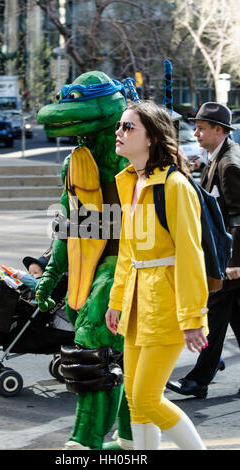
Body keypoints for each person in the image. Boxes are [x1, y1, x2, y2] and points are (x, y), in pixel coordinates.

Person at [105, 100, 209, 450]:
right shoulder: (130, 183)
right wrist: (116, 301)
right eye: (119, 126)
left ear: (150, 138)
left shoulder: (175, 186)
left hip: (167, 308)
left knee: (148, 398)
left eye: (128, 127)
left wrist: (193, 317)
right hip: (136, 306)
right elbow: (127, 253)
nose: (119, 132)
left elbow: (191, 256)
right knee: (135, 399)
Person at [167, 102, 240, 399]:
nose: (195, 133)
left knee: (215, 314)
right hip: (225, 254)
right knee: (231, 315)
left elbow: (238, 215)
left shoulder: (229, 164)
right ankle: (207, 368)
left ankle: (199, 379)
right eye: (195, 127)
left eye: (201, 128)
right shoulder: (215, 157)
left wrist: (235, 262)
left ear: (219, 130)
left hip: (231, 258)